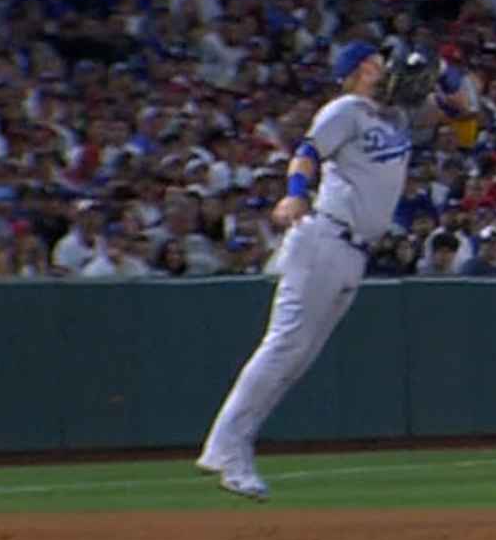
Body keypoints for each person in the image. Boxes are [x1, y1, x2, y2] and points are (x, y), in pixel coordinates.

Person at [194, 42, 468, 498]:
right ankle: (225, 447)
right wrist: (295, 192)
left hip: (354, 251)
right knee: (284, 346)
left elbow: (461, 108)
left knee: (297, 357)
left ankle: (233, 445)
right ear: (360, 69)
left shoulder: (397, 116)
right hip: (324, 236)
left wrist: (440, 62)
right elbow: (307, 151)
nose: (387, 70)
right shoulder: (345, 109)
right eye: (377, 63)